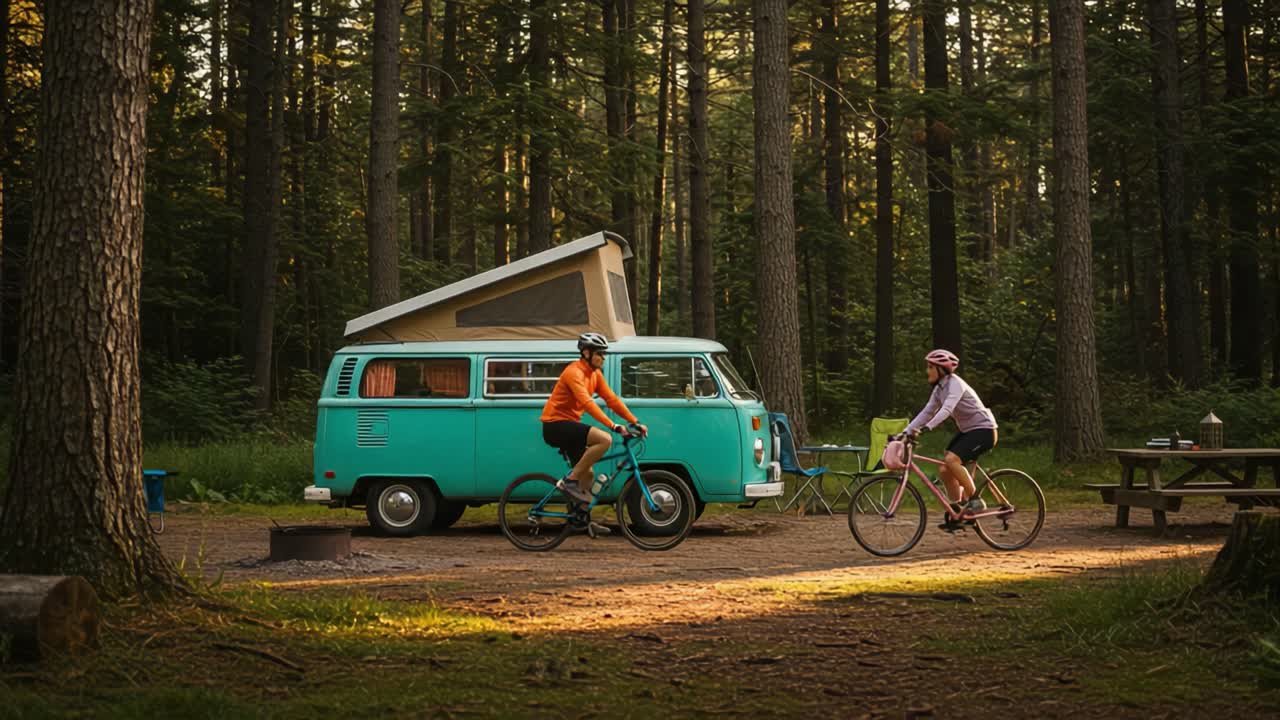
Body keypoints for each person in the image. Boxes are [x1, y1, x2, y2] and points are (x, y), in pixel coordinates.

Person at [540, 333, 648, 531]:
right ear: (587, 353)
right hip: (555, 425)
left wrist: (635, 421)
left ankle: (581, 520)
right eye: (600, 353)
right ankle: (569, 481)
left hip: (569, 426)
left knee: (588, 474)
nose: (603, 357)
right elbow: (587, 403)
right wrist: (613, 426)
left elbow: (612, 400)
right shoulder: (574, 373)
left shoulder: (595, 374)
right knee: (604, 439)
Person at [900, 349, 998, 531]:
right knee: (945, 469)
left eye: (930, 367)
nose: (927, 371)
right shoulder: (940, 388)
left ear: (942, 369)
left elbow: (946, 409)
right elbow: (927, 411)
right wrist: (905, 432)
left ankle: (976, 500)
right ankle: (959, 510)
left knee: (951, 459)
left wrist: (927, 427)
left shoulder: (955, 384)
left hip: (984, 430)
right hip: (969, 431)